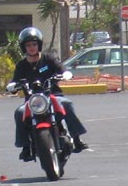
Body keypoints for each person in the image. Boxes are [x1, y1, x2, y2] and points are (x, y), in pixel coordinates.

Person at [10, 26, 87, 160]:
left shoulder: (48, 59)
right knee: (19, 112)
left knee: (67, 104)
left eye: (34, 44)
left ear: (39, 45)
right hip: (33, 101)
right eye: (28, 45)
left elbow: (61, 69)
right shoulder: (21, 65)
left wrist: (65, 73)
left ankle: (77, 139)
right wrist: (12, 86)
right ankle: (26, 147)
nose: (32, 47)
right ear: (24, 47)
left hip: (53, 96)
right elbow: (14, 81)